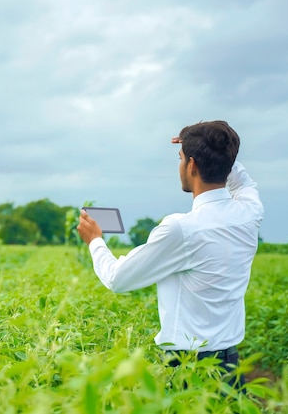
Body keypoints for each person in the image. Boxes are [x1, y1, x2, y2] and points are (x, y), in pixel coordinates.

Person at [77, 120, 263, 389]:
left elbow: (118, 279)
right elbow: (242, 181)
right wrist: (212, 148)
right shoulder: (249, 213)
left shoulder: (182, 229)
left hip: (188, 372)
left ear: (191, 165)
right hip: (230, 368)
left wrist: (95, 241)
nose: (179, 166)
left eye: (180, 159)